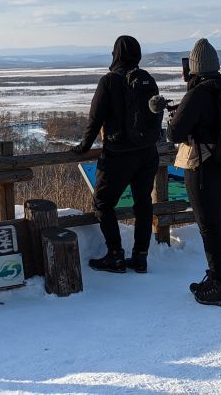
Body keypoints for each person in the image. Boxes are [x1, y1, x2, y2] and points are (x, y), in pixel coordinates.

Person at [166, 38, 221, 306]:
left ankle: (220, 286)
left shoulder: (198, 94)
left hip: (203, 167)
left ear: (194, 67)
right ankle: (215, 278)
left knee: (208, 228)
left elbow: (175, 133)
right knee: (218, 225)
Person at [70, 35, 160, 273]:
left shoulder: (109, 81)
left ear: (116, 55)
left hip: (119, 153)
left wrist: (83, 146)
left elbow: (95, 118)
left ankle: (115, 255)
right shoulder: (147, 80)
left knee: (102, 203)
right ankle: (140, 257)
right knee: (144, 204)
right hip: (148, 152)